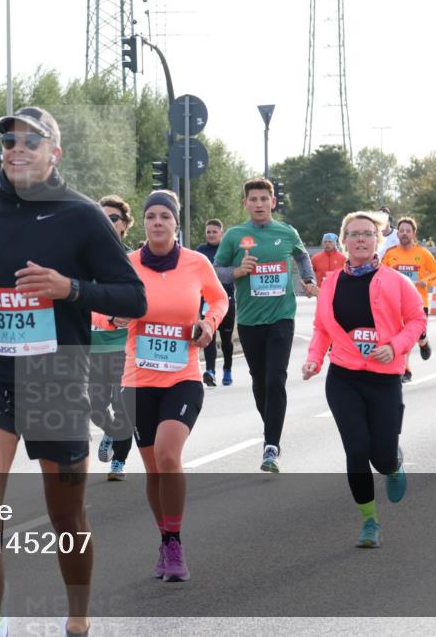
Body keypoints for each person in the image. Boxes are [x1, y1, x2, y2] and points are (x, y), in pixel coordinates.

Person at [0, 106, 146, 637]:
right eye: (9, 141)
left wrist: (70, 288)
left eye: (30, 142)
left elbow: (135, 296)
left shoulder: (81, 215)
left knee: (67, 517)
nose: (17, 149)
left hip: (57, 377)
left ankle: (78, 619)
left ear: (54, 153)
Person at [120, 191, 228, 580]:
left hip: (183, 376)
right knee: (153, 470)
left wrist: (208, 325)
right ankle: (165, 539)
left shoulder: (197, 263)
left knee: (168, 455)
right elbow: (101, 310)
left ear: (176, 223)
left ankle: (176, 542)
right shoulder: (127, 265)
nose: (158, 222)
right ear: (144, 224)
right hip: (138, 379)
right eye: (151, 216)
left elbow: (219, 300)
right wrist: (112, 318)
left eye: (166, 215)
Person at [303, 211, 425, 547]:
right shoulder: (331, 284)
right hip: (343, 377)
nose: (360, 239)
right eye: (354, 234)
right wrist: (314, 359)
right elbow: (321, 328)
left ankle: (393, 464)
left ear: (377, 240)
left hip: (384, 378)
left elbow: (417, 319)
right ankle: (370, 522)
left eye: (368, 234)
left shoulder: (397, 281)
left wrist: (396, 346)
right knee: (356, 449)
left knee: (381, 457)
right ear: (344, 241)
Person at [213, 177, 319, 472]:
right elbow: (216, 271)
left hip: (281, 317)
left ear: (273, 202)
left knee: (276, 379)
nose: (259, 204)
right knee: (260, 382)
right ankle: (271, 427)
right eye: (253, 199)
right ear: (245, 203)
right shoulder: (235, 236)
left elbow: (301, 256)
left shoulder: (286, 232)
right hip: (248, 320)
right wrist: (237, 271)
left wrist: (308, 279)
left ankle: (271, 445)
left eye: (264, 199)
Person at [91, 194, 135, 481]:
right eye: (102, 217)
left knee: (123, 406)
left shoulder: (133, 261)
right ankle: (108, 429)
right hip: (93, 346)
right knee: (95, 406)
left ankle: (118, 461)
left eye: (114, 218)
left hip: (125, 347)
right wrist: (105, 318)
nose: (108, 222)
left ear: (124, 225)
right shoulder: (84, 260)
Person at [380, 217, 436, 382]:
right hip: (396, 302)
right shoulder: (391, 254)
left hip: (418, 302)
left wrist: (425, 281)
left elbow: (435, 272)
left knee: (416, 335)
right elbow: (381, 274)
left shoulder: (423, 253)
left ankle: (423, 341)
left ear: (414, 233)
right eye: (401, 230)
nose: (404, 233)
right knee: (401, 335)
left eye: (408, 230)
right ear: (397, 233)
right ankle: (405, 370)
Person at [195, 219, 236, 387]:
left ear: (222, 233)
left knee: (226, 339)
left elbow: (234, 272)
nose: (211, 235)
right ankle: (210, 371)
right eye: (208, 232)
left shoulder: (228, 251)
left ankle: (227, 369)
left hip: (227, 300)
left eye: (214, 232)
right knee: (208, 335)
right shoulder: (200, 251)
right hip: (207, 301)